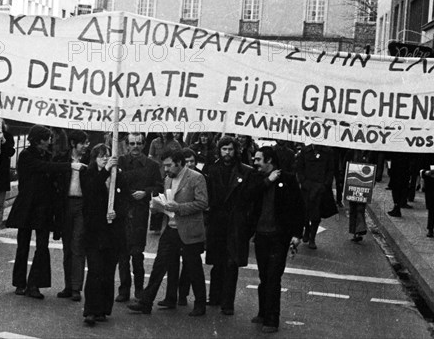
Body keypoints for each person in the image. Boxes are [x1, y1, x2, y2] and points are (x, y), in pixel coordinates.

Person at [128, 149, 208, 317]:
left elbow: (202, 203)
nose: (166, 170)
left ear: (179, 163)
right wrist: (157, 208)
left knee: (193, 268)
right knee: (159, 266)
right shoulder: (167, 180)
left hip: (188, 230)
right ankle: (146, 302)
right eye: (164, 166)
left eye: (169, 165)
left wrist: (179, 208)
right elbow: (166, 201)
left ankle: (200, 304)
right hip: (170, 228)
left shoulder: (196, 177)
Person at [6, 125, 72, 299]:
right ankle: (19, 282)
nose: (50, 142)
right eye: (47, 139)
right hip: (28, 205)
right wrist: (70, 166)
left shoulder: (48, 155)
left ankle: (34, 283)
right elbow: (43, 167)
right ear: (38, 140)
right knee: (23, 245)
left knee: (42, 246)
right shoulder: (26, 155)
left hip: (43, 206)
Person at [251, 146, 304, 334]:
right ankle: (263, 311)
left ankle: (272, 319)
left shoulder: (288, 180)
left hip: (278, 237)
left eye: (258, 159)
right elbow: (248, 196)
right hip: (261, 236)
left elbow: (298, 207)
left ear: (270, 161)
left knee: (273, 277)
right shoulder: (257, 178)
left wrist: (297, 234)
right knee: (264, 276)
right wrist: (267, 181)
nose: (255, 162)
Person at [205, 135, 260, 315]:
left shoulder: (246, 171)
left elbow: (252, 199)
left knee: (231, 263)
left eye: (230, 149)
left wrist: (248, 226)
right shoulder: (211, 169)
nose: (227, 153)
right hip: (217, 222)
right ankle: (214, 297)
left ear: (236, 150)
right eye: (224, 149)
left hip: (236, 223)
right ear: (219, 150)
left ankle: (228, 302)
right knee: (217, 262)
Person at [80, 144, 127, 326]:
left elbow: (125, 201)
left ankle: (103, 309)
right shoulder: (89, 174)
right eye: (101, 156)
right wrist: (105, 171)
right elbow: (90, 191)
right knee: (95, 271)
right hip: (94, 231)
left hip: (112, 232)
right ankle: (90, 310)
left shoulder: (119, 175)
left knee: (108, 272)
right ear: (94, 158)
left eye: (108, 155)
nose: (105, 159)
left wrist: (117, 212)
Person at [115, 133, 163, 302]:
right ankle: (124, 290)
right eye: (132, 143)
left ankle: (139, 290)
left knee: (137, 253)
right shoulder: (120, 161)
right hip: (122, 210)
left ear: (143, 145)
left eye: (138, 143)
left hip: (140, 213)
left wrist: (146, 192)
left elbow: (159, 185)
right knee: (122, 254)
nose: (135, 146)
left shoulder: (151, 165)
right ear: (127, 145)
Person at [55, 130, 89, 302]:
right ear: (73, 144)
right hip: (65, 204)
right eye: (82, 143)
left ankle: (76, 287)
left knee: (78, 245)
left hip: (82, 205)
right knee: (67, 246)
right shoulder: (63, 158)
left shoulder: (89, 160)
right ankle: (68, 286)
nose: (85, 146)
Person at [296, 144, 335, 249]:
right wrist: (303, 182)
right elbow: (300, 168)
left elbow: (331, 170)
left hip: (320, 188)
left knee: (316, 215)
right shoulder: (305, 151)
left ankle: (312, 238)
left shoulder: (328, 152)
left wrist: (326, 185)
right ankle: (307, 230)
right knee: (305, 213)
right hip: (307, 187)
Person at [148, 132, 182, 233]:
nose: (164, 133)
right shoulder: (154, 142)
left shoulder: (175, 144)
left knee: (169, 200)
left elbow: (180, 158)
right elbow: (150, 156)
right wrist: (157, 164)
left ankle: (170, 224)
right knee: (157, 200)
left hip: (170, 175)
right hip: (158, 175)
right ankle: (156, 227)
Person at [386, 152, 411, 217]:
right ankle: (397, 206)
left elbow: (389, 156)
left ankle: (397, 207)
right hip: (403, 168)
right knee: (400, 188)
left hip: (397, 168)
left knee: (396, 189)